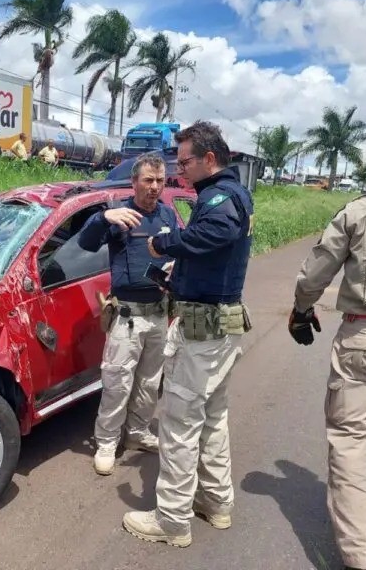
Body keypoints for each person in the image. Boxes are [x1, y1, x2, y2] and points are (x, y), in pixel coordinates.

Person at [121, 120, 254, 547]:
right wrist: (183, 268)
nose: (179, 172)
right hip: (221, 324)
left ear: (209, 159)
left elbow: (217, 232)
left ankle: (172, 520)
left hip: (202, 332)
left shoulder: (219, 197)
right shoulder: (234, 193)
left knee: (179, 425)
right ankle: (215, 503)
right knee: (213, 419)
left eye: (185, 162)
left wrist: (168, 244)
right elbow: (219, 250)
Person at [77, 152, 178, 475]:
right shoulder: (120, 214)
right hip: (127, 317)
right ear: (134, 181)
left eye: (160, 181)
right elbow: (86, 243)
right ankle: (106, 442)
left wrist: (178, 264)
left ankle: (136, 434)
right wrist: (103, 218)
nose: (155, 187)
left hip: (159, 314)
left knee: (149, 383)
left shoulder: (167, 216)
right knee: (118, 383)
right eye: (148, 180)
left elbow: (178, 248)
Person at [289, 195, 366, 570]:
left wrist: (302, 309)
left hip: (361, 339)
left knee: (352, 441)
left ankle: (358, 557)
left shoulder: (357, 212)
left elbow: (316, 272)